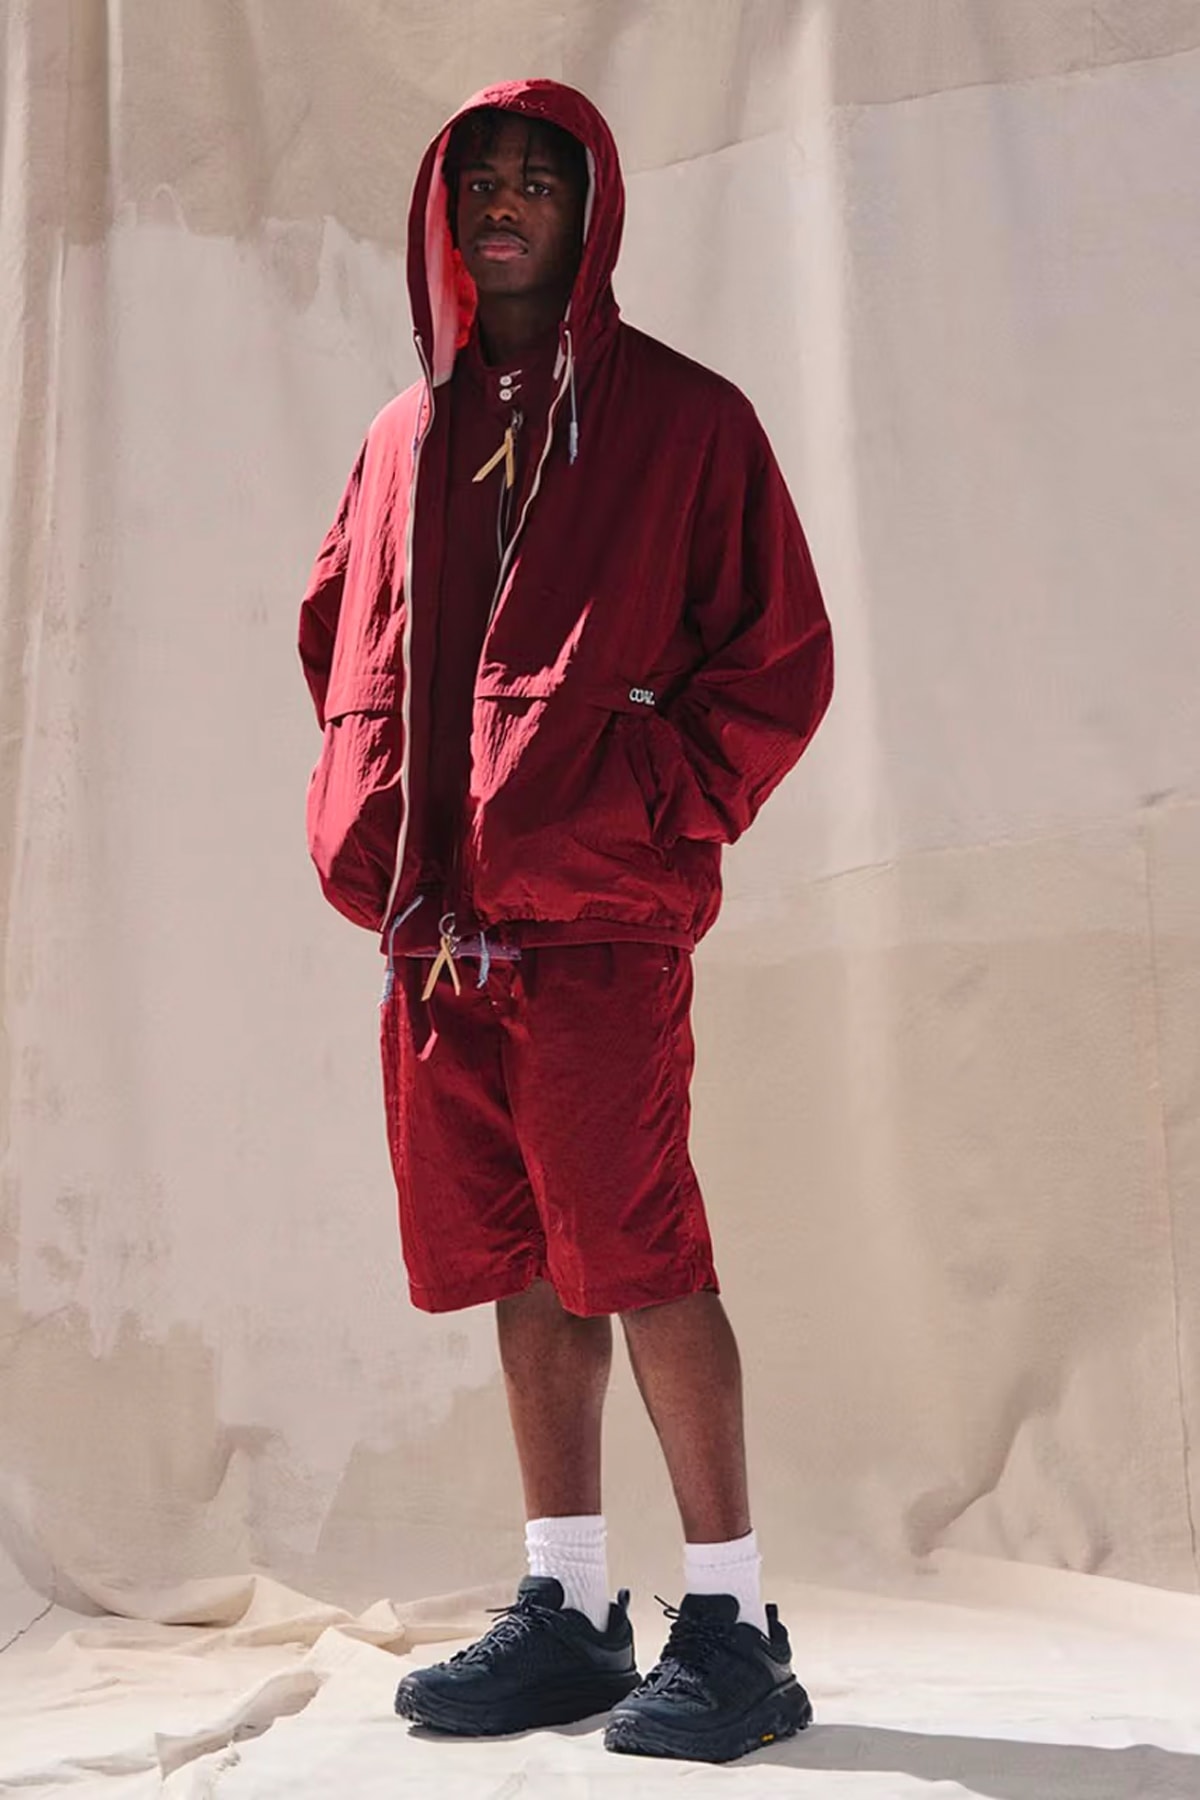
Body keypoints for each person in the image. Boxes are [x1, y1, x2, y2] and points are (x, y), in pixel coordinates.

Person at [298, 78, 833, 1764]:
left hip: (598, 921)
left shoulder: (687, 420)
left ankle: (736, 1626)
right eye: (481, 180)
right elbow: (336, 633)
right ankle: (572, 1606)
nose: (506, 202)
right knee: (519, 1256)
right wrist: (382, 803)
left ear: (590, 212)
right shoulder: (404, 436)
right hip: (439, 935)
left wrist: (630, 798)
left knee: (641, 1252)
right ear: (444, 214)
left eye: (540, 178)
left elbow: (778, 660)